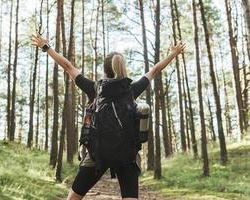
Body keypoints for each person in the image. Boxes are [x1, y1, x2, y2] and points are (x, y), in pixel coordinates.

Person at [30, 34, 185, 200]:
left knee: (73, 198)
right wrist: (174, 53)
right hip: (127, 156)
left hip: (98, 155)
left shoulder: (95, 89)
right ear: (122, 68)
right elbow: (154, 71)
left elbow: (68, 66)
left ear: (105, 69)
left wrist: (46, 47)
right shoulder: (131, 89)